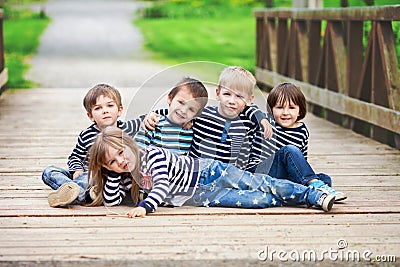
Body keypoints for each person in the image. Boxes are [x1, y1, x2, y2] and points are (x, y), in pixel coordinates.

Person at [145, 66, 346, 201]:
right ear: (217, 94)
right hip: (205, 174)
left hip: (238, 175)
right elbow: (178, 112)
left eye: (239, 96)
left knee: (290, 152)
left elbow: (256, 115)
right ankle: (311, 186)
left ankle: (314, 184)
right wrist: (153, 114)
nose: (232, 101)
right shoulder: (203, 114)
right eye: (227, 94)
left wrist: (260, 116)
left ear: (249, 99)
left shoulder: (249, 120)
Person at [87, 127, 336, 218]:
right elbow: (112, 202)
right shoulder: (123, 175)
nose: (120, 161)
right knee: (257, 200)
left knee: (259, 183)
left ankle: (312, 194)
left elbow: (161, 185)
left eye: (121, 152)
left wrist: (145, 207)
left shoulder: (152, 156)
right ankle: (290, 194)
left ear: (129, 144)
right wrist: (111, 175)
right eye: (111, 162)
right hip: (199, 196)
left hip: (209, 172)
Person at [41, 83, 148, 207]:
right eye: (98, 108)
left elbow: (147, 118)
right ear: (90, 116)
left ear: (119, 110)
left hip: (103, 176)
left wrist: (151, 117)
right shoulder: (86, 135)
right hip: (84, 175)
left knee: (92, 176)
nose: (105, 111)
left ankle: (77, 193)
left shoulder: (127, 128)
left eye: (110, 105)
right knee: (49, 171)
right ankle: (77, 191)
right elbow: (75, 156)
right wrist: (77, 169)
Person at [254, 82, 346, 201]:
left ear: (300, 111)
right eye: (279, 107)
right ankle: (312, 189)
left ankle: (301, 190)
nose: (285, 112)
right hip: (262, 173)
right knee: (289, 150)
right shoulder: (266, 122)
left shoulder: (302, 131)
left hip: (283, 175)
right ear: (271, 109)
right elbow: (250, 111)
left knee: (325, 178)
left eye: (291, 108)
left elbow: (300, 161)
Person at [134, 77, 208, 155]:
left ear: (196, 115)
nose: (183, 111)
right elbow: (137, 153)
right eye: (181, 102)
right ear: (170, 98)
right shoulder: (153, 124)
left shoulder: (191, 131)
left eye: (191, 109)